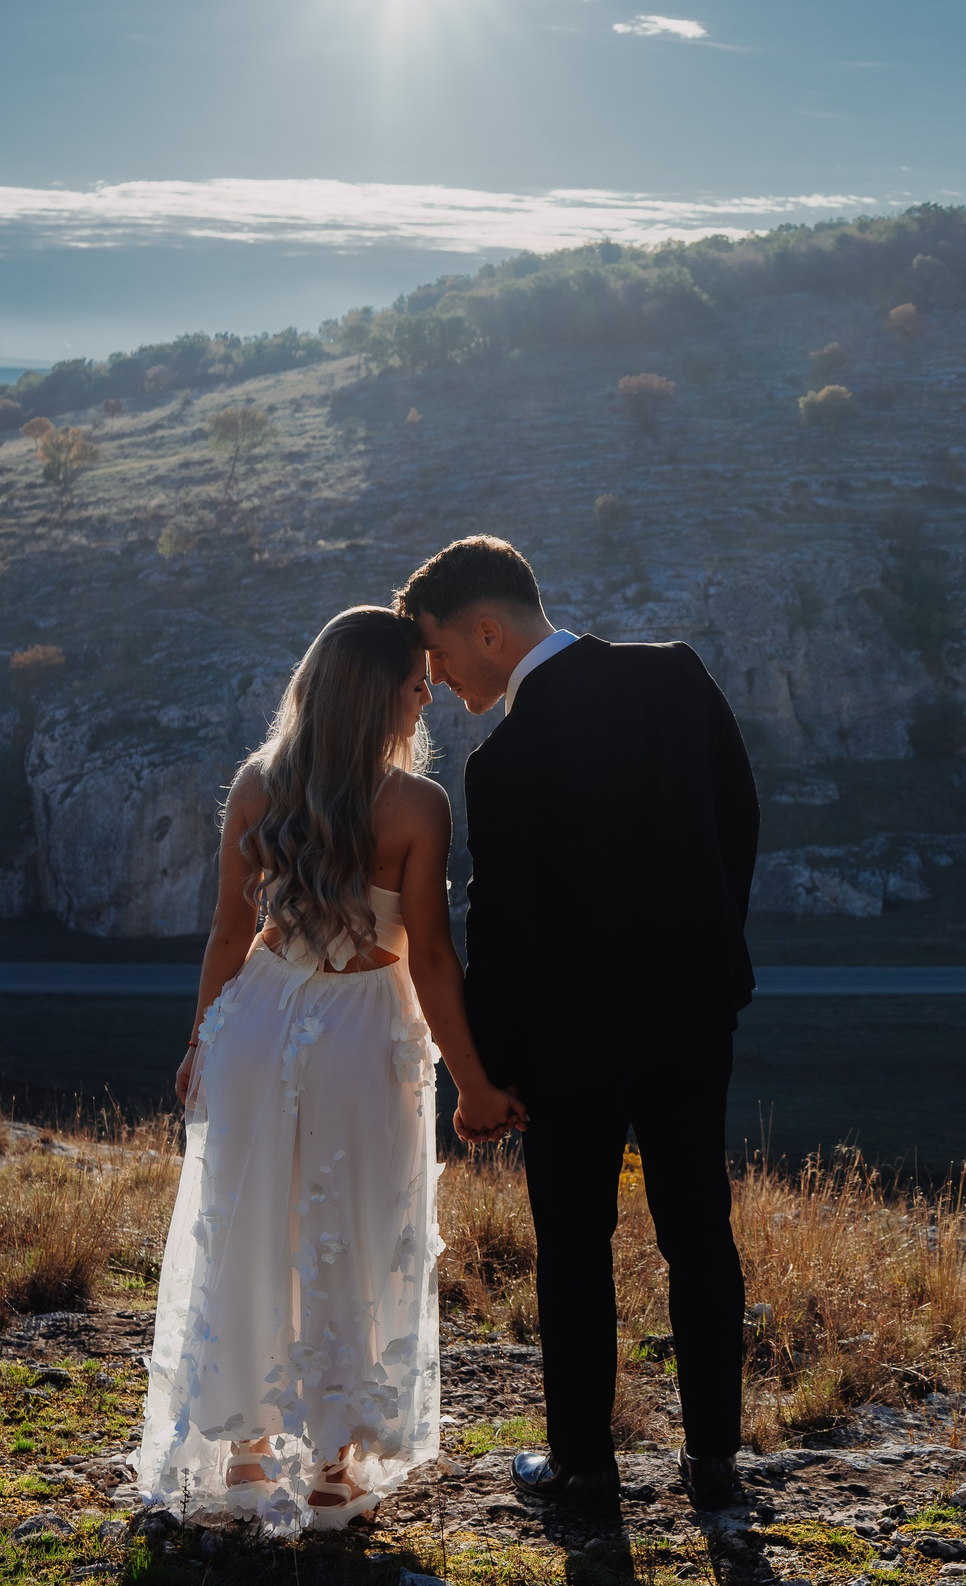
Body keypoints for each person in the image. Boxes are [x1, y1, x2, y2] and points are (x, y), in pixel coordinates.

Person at [135, 607, 523, 1535]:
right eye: (415, 681)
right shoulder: (417, 805)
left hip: (258, 1022)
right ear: (378, 692)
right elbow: (429, 954)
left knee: (254, 1221)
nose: (429, 693)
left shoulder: (258, 784)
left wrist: (200, 1042)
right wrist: (472, 1082)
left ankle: (243, 1452)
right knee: (354, 1228)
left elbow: (232, 934)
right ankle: (336, 1469)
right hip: (360, 1033)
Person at [395, 536, 760, 1512]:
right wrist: (710, 950)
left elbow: (504, 931)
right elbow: (740, 816)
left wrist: (489, 1073)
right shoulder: (675, 676)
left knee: (573, 1245)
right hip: (691, 1015)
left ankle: (582, 1467)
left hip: (567, 1044)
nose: (436, 677)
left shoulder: (505, 758)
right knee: (700, 1229)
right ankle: (716, 1466)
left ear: (485, 627)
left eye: (438, 654)